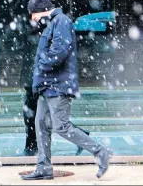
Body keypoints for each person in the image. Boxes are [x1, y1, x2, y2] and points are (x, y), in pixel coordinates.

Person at [21, 0, 113, 180]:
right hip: (47, 86)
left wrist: (40, 65)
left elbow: (59, 53)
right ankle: (44, 167)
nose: (32, 18)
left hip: (57, 86)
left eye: (33, 14)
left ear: (41, 9)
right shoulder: (53, 22)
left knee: (61, 126)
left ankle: (101, 151)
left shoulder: (61, 22)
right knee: (40, 125)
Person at [19, 26, 90, 157]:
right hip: (35, 79)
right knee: (43, 115)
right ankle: (80, 135)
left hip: (38, 80)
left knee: (35, 115)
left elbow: (48, 57)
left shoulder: (46, 31)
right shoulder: (41, 31)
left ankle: (31, 147)